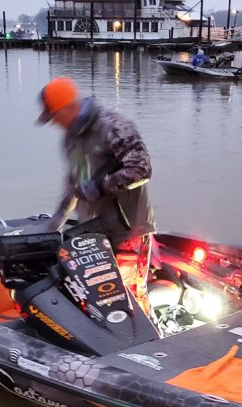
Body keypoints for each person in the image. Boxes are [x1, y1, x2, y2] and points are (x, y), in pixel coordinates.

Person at [36, 77, 156, 301]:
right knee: (99, 300)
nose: (54, 123)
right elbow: (75, 185)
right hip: (93, 237)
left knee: (129, 297)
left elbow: (141, 169)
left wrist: (100, 186)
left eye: (54, 116)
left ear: (68, 107)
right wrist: (55, 223)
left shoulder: (114, 126)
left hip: (128, 233)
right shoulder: (70, 141)